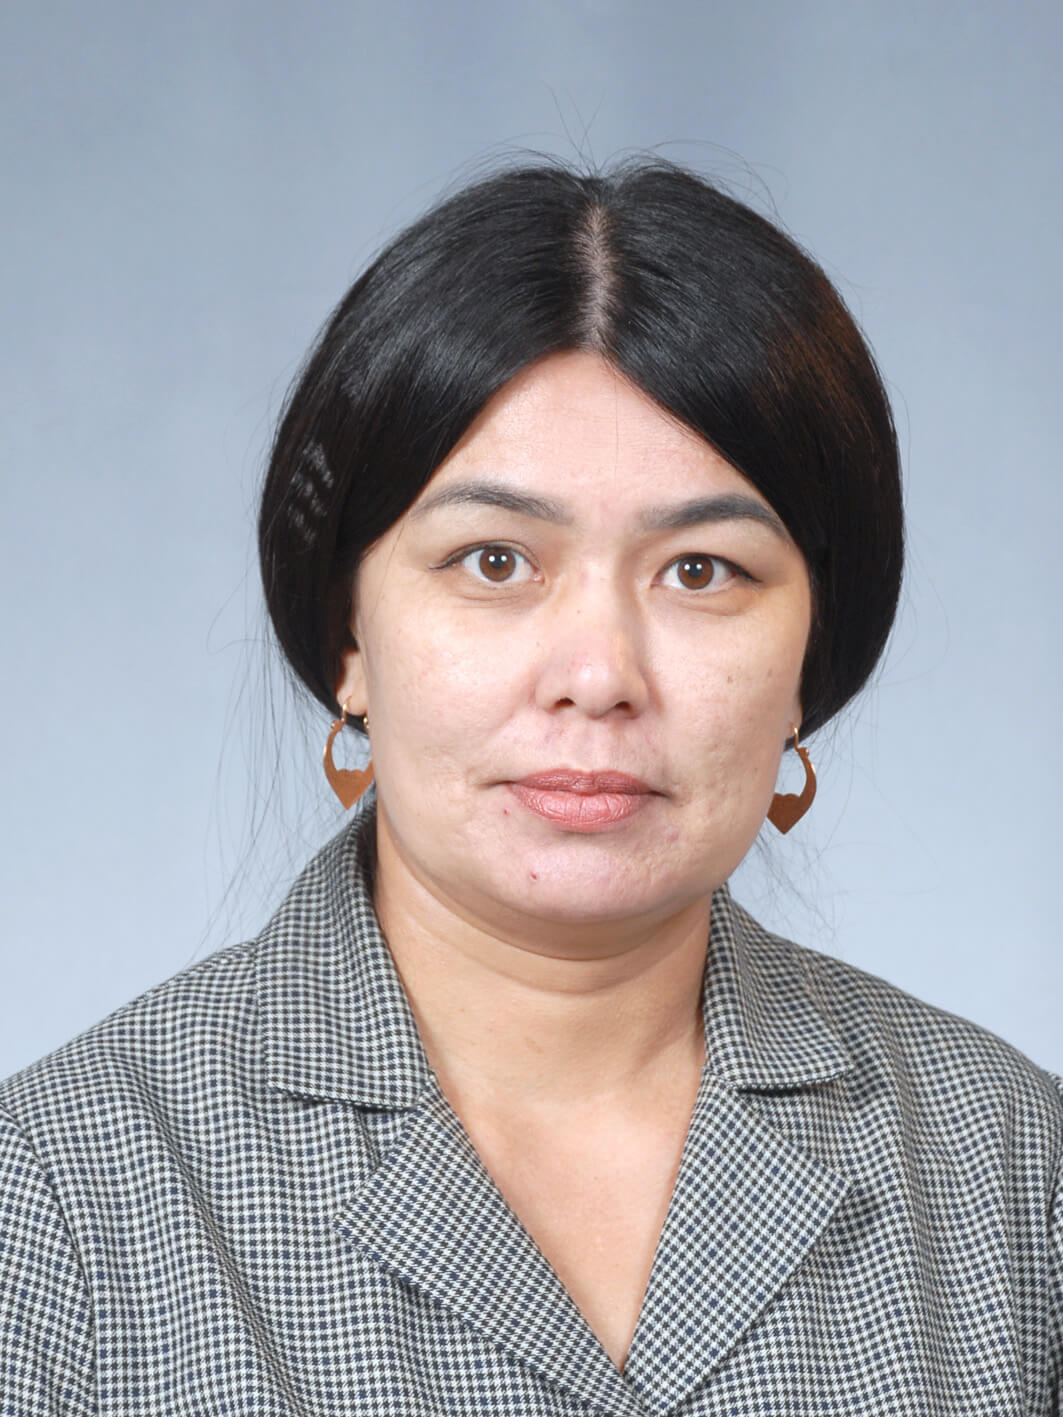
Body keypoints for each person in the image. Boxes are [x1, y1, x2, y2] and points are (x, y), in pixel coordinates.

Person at [1, 157, 1059, 1416]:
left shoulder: (1008, 1170)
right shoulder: (60, 1192)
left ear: (809, 658)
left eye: (702, 570)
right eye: (495, 560)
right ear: (347, 636)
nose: (598, 676)